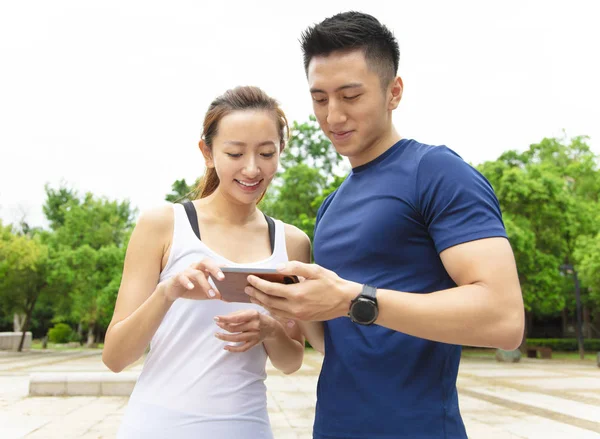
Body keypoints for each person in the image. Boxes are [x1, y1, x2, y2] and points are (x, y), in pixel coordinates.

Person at [244, 11, 525, 439]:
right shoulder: (331, 206)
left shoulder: (436, 172)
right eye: (319, 99)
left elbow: (504, 320)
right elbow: (341, 339)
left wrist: (354, 299)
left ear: (394, 92)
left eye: (350, 96)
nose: (332, 116)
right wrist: (286, 313)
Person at [102, 86, 309, 439]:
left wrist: (269, 328)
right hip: (157, 425)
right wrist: (167, 293)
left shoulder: (292, 242)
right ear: (208, 152)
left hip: (247, 427)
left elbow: (291, 362)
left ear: (280, 153)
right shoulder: (163, 225)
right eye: (234, 152)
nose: (252, 168)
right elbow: (116, 357)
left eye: (266, 152)